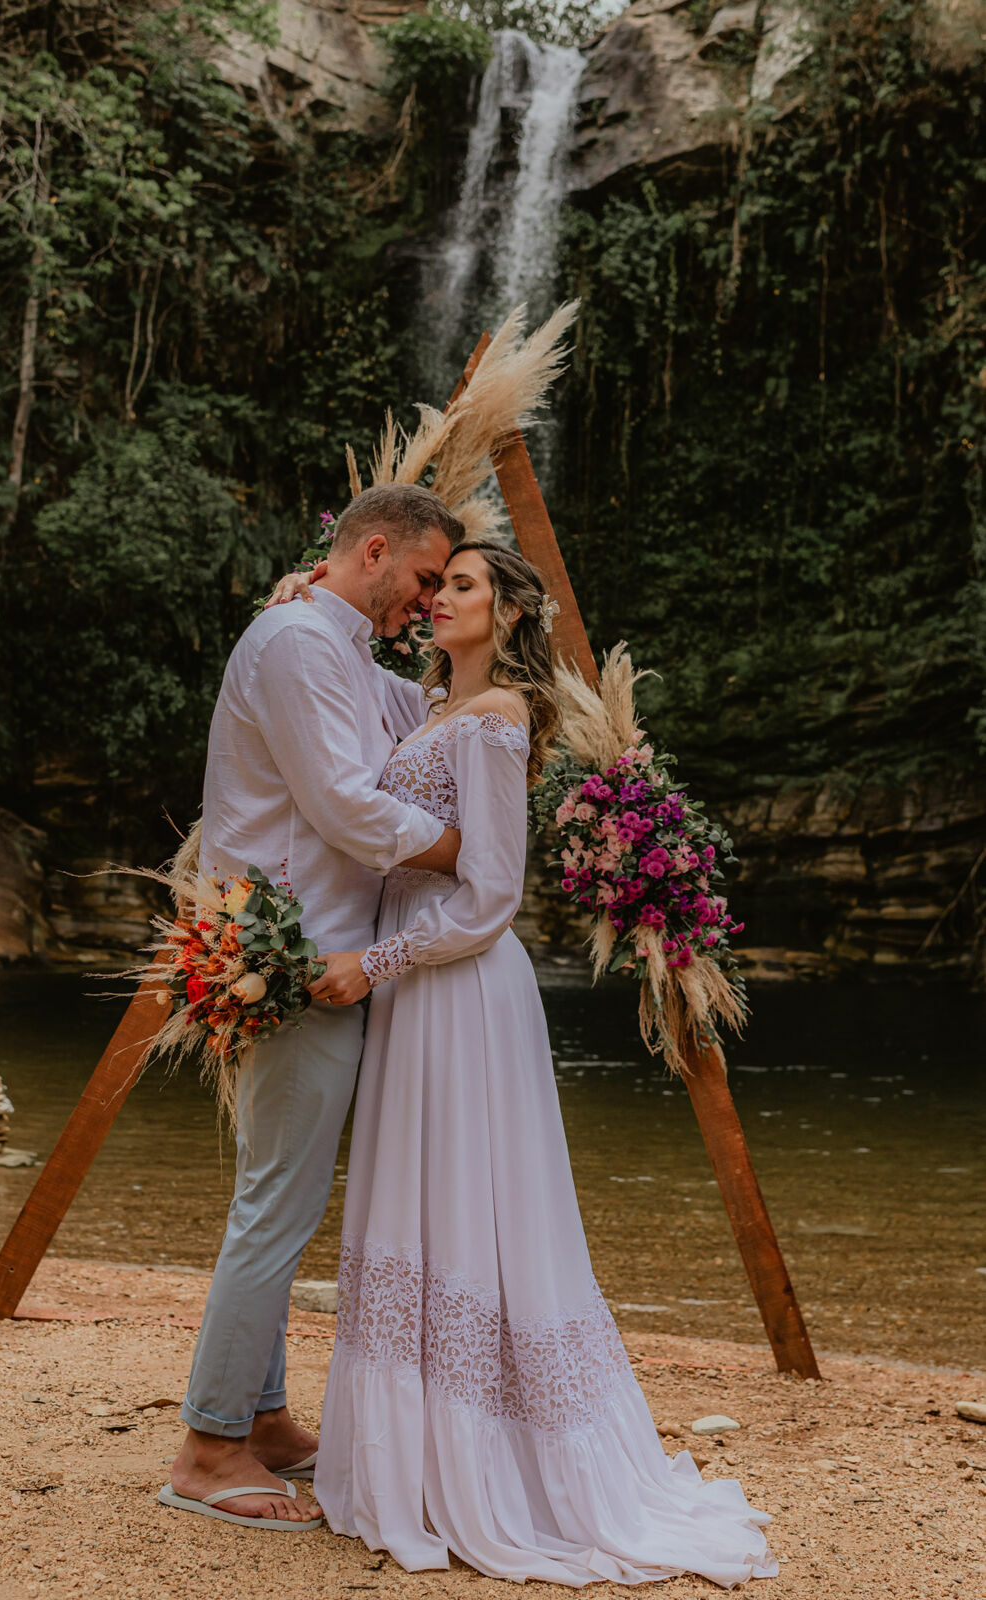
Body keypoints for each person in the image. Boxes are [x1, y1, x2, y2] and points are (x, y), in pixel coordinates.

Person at [296, 540, 780, 1584]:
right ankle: (408, 1462)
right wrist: (314, 597)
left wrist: (368, 964)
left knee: (479, 1211)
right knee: (415, 1201)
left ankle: (494, 1470)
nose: (437, 599)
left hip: (458, 985)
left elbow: (489, 895)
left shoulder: (498, 722)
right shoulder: (428, 709)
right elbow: (351, 672)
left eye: (460, 586)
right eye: (437, 584)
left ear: (509, 614)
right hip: (420, 986)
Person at [159, 485, 464, 1532]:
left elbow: (419, 727)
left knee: (279, 1198)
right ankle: (207, 1444)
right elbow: (341, 798)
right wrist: (465, 853)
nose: (427, 603)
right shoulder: (296, 640)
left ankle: (266, 1415)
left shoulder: (337, 647)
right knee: (276, 1206)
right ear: (373, 549)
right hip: (292, 958)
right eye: (424, 579)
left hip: (327, 953)